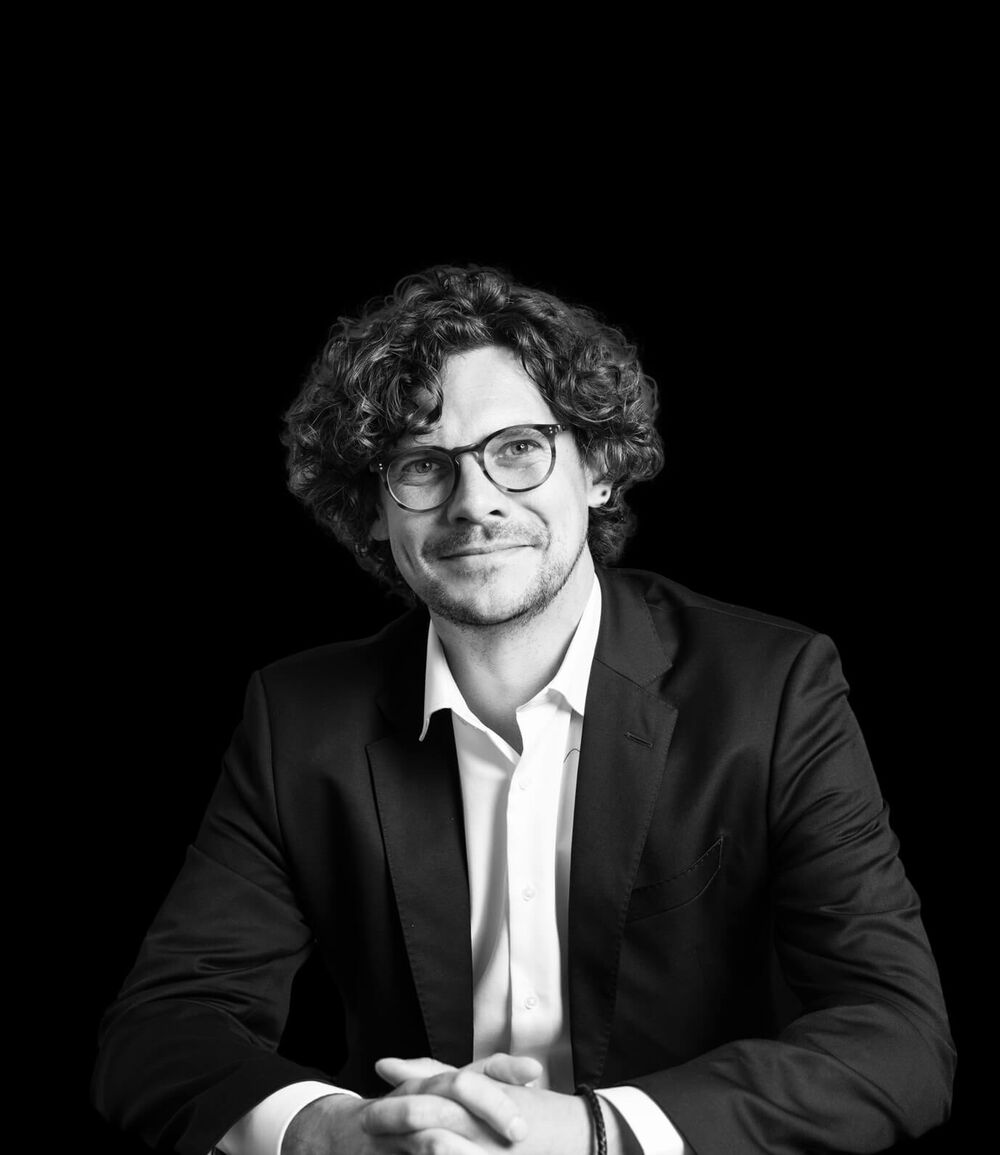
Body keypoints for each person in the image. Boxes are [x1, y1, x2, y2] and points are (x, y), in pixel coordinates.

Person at [92, 265, 955, 1154]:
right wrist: (334, 1132)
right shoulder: (299, 719)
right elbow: (162, 1025)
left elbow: (897, 1037)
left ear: (599, 468)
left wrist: (590, 1132)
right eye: (422, 466)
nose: (476, 502)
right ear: (376, 511)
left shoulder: (772, 689)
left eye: (516, 449)